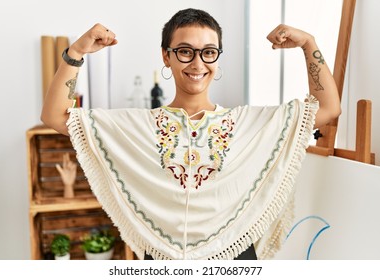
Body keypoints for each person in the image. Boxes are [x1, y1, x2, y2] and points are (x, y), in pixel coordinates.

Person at [41, 8, 341, 260]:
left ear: (217, 57)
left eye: (208, 52)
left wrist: (308, 43)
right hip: (161, 259)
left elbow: (328, 108)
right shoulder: (137, 125)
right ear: (166, 56)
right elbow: (55, 116)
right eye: (185, 51)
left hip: (234, 257)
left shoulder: (250, 122)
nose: (198, 63)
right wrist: (76, 52)